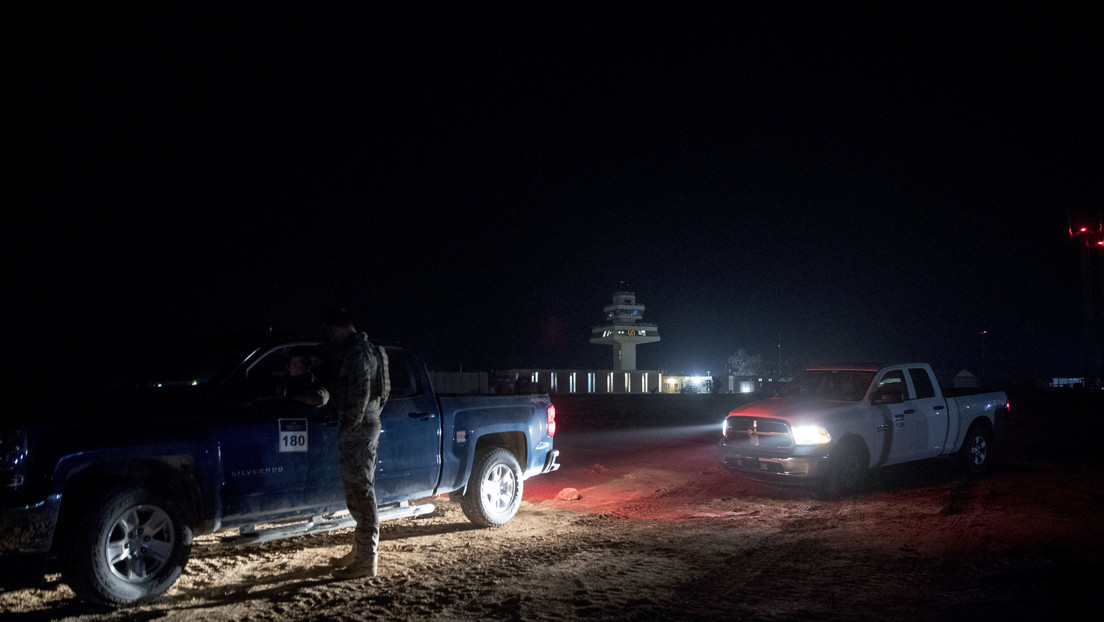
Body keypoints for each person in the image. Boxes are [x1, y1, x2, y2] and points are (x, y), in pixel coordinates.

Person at [324, 308, 384, 579]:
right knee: (357, 491)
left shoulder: (358, 352)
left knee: (362, 491)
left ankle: (366, 561)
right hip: (363, 426)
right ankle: (359, 552)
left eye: (331, 332)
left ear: (338, 329)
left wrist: (348, 428)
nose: (331, 337)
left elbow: (361, 393)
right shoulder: (365, 349)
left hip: (358, 430)